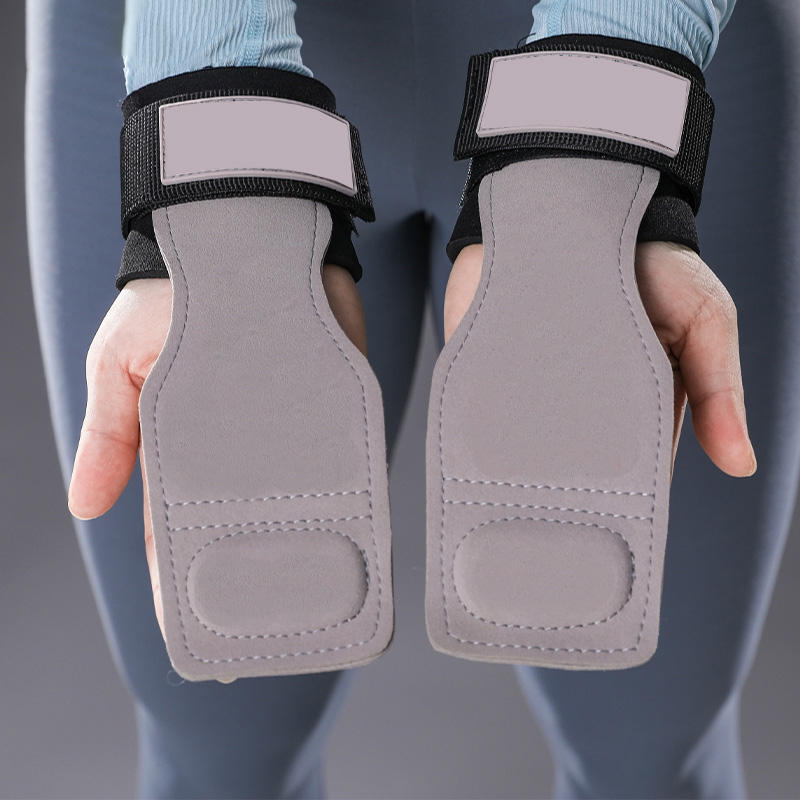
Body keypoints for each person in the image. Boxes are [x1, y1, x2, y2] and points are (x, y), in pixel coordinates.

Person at [25, 0, 794, 797]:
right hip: (173, 47)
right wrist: (216, 151)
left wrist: (599, 128)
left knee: (649, 753)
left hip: (657, 42)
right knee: (222, 730)